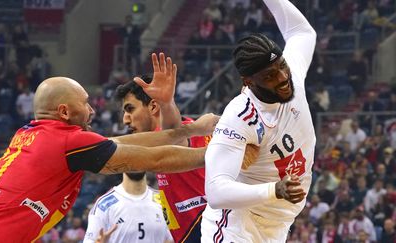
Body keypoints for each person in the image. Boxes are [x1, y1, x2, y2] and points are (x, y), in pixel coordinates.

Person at [0, 74, 218, 242]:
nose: (92, 110)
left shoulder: (31, 134)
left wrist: (189, 130)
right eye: (85, 103)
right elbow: (155, 160)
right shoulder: (66, 141)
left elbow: (116, 143)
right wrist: (222, 152)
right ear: (64, 111)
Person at [201, 0, 317, 242]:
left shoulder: (292, 73)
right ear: (248, 81)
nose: (283, 77)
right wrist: (274, 189)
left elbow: (302, 32)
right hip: (238, 223)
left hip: (277, 224)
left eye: (282, 66)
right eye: (270, 75)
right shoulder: (242, 116)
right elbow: (215, 191)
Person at [115, 52, 209, 242]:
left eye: (130, 109)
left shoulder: (178, 132)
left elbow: (172, 132)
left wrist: (167, 103)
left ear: (153, 107)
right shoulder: (156, 140)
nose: (125, 119)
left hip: (207, 228)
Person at [83, 172, 173, 243]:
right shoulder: (103, 205)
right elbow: (90, 240)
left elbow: (173, 238)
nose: (135, 163)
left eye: (138, 158)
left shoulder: (163, 200)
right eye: (131, 158)